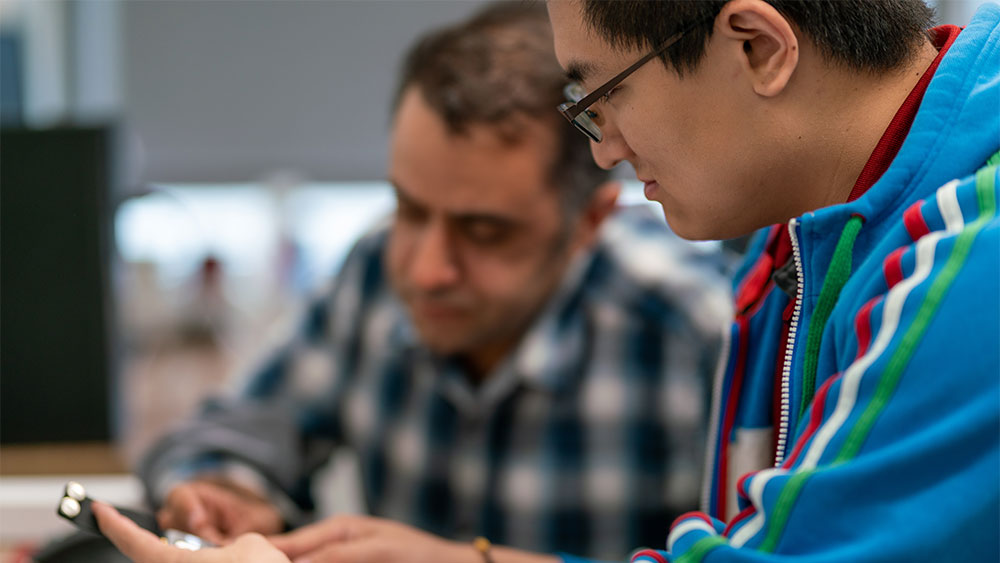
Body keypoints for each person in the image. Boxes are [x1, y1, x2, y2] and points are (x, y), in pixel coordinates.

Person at [122, 3, 731, 563]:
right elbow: (241, 426)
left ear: (590, 221)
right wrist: (223, 491)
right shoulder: (373, 273)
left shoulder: (696, 325)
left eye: (485, 231)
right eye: (409, 209)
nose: (425, 270)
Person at [544, 0, 998, 561]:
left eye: (605, 93)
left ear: (758, 47)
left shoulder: (974, 261)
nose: (604, 149)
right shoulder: (793, 237)